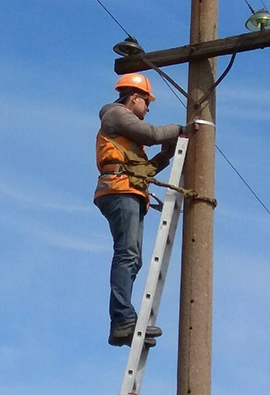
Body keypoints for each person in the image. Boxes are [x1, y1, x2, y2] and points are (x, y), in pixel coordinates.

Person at [94, 73, 183, 347]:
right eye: (146, 103)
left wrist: (167, 155)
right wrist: (182, 129)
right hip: (118, 191)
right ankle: (123, 320)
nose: (147, 109)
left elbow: (144, 171)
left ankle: (123, 324)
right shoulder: (116, 115)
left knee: (132, 258)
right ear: (134, 97)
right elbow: (154, 134)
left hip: (128, 191)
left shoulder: (125, 135)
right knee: (127, 254)